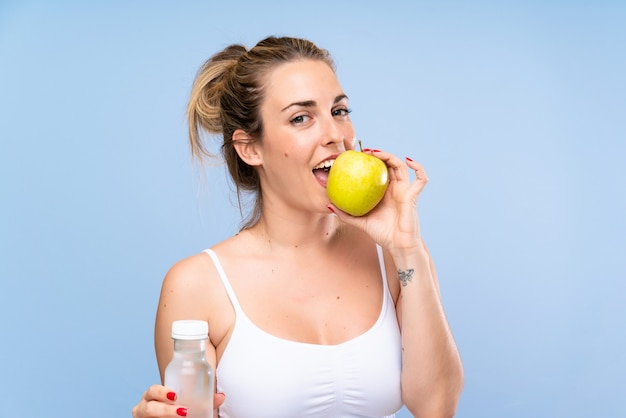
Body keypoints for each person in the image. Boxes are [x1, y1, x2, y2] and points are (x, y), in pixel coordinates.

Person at [132, 35, 463, 418]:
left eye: (339, 111)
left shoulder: (396, 259)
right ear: (250, 148)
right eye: (301, 118)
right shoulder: (197, 285)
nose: (335, 136)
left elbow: (437, 407)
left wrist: (408, 248)